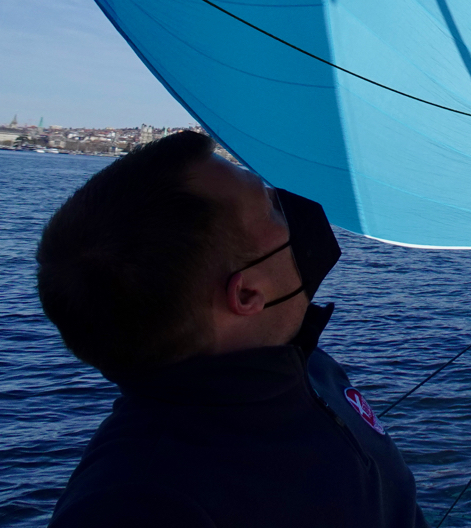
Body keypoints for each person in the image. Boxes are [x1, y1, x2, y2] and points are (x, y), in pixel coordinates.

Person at [36, 130, 427, 527]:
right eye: (271, 207)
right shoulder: (140, 505)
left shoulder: (296, 359)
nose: (287, 202)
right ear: (246, 294)